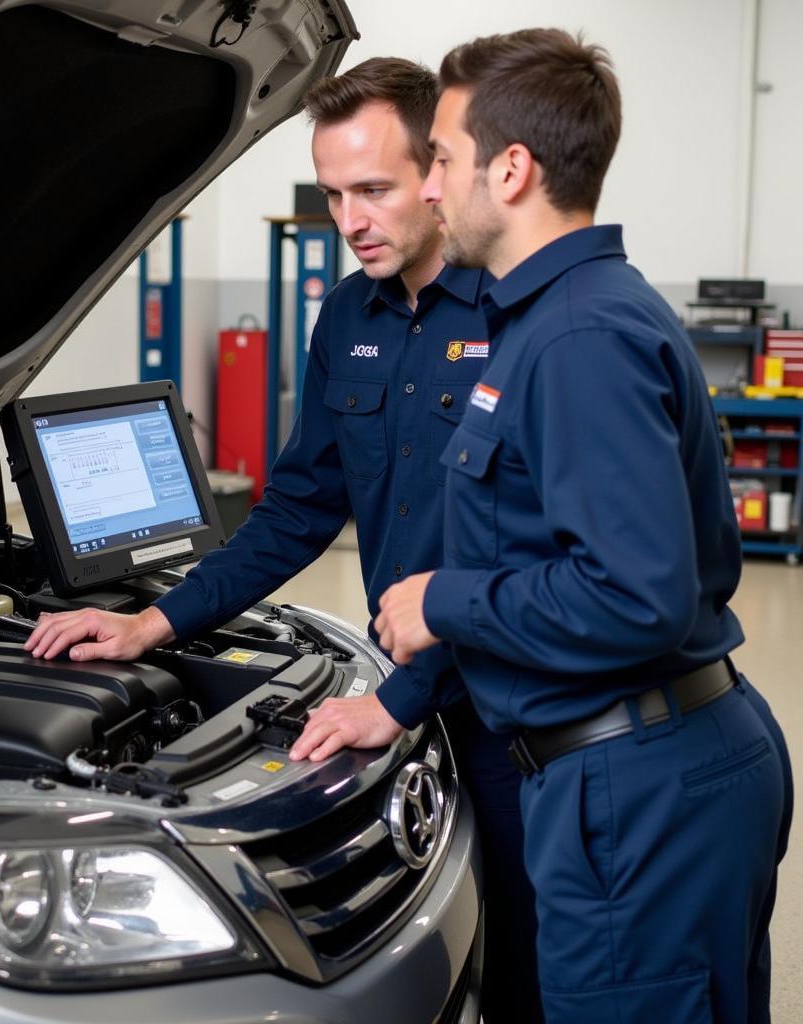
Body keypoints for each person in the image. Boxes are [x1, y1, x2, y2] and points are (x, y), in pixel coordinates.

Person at [26, 57, 543, 1022]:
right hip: (419, 699)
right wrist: (154, 623)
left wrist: (396, 698)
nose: (350, 220)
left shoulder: (520, 312)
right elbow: (298, 508)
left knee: (530, 973)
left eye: (374, 190)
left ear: (436, 173)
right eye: (334, 193)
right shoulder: (347, 315)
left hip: (519, 719)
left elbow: (520, 554)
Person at [295, 28, 793, 1024]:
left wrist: (445, 598)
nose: (429, 188)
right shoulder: (565, 315)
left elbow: (636, 595)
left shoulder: (576, 337)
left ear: (510, 170)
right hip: (645, 764)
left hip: (634, 784)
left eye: (438, 157)